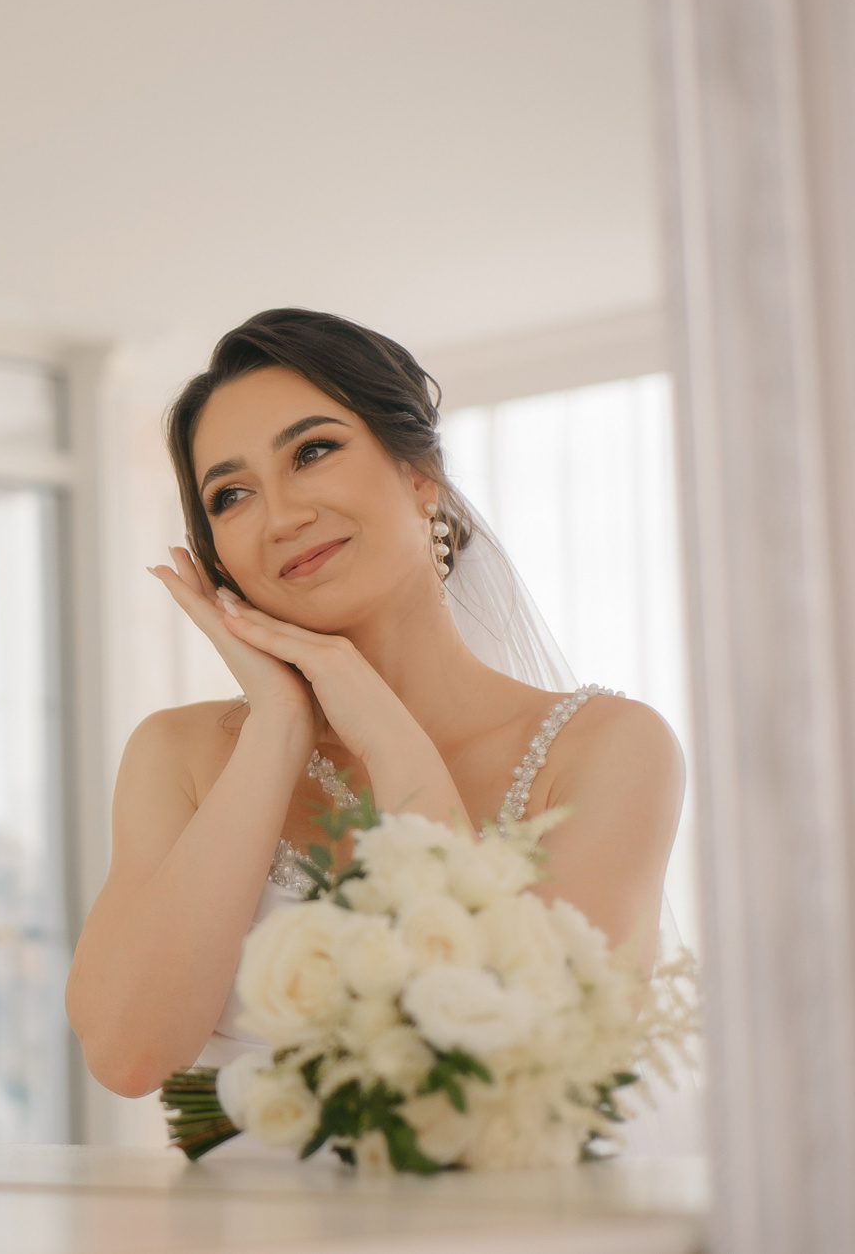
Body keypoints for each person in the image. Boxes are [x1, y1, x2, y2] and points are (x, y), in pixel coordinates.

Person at [65, 308, 683, 1103]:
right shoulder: (180, 754)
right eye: (232, 495)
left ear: (420, 473)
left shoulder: (608, 749)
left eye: (312, 452)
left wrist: (381, 725)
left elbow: (529, 1060)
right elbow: (128, 1056)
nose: (282, 517)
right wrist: (277, 727)